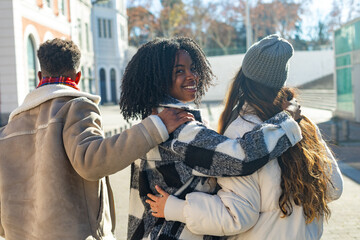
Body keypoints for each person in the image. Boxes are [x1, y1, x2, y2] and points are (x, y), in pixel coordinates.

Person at [148, 34, 344, 240]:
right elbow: (334, 189)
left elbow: (237, 216)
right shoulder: (300, 124)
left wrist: (177, 209)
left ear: (244, 75)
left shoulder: (242, 130)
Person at [0, 38, 193, 240]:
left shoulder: (9, 129)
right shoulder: (75, 107)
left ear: (40, 76)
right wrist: (155, 126)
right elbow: (91, 161)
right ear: (78, 76)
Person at [119, 36, 303, 240]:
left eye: (193, 68)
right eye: (179, 71)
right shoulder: (181, 129)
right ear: (158, 79)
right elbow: (241, 158)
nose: (192, 76)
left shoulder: (153, 124)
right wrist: (286, 122)